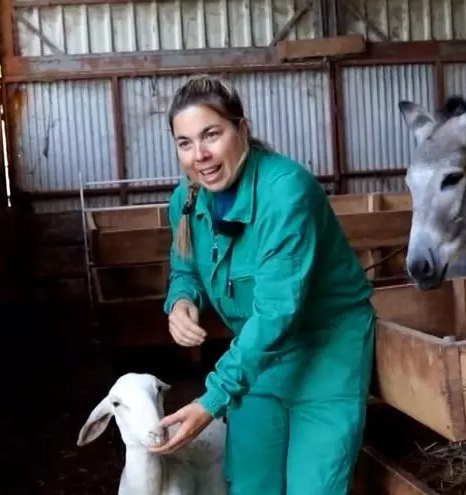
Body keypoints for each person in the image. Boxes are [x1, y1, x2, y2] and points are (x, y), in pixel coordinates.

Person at [148, 74, 376, 495]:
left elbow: (277, 310)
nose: (200, 155)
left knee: (314, 485)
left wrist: (211, 400)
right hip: (258, 356)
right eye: (185, 143)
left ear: (243, 130)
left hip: (326, 351)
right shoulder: (187, 198)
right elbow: (185, 266)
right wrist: (181, 300)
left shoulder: (286, 192)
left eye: (211, 135)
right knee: (252, 484)